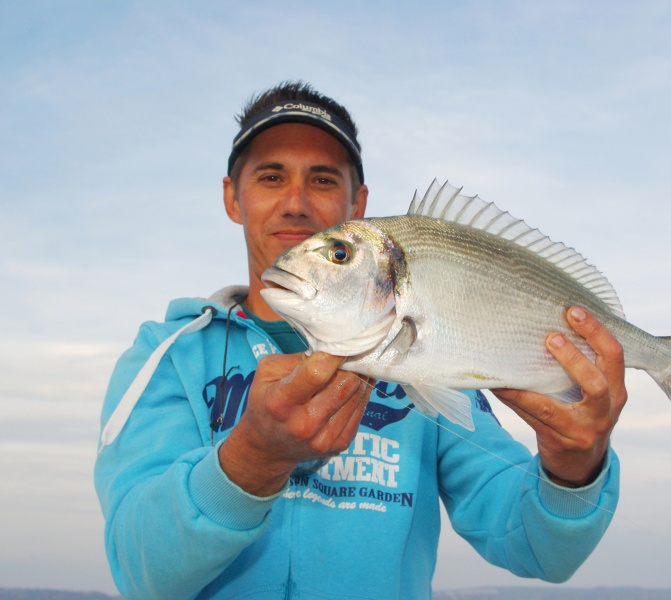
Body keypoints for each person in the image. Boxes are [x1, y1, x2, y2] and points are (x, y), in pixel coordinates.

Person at [94, 81, 627, 600]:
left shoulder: (428, 370)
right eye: (271, 177)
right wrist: (251, 459)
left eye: (323, 180)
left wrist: (575, 469)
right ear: (233, 197)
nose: (296, 203)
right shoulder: (167, 356)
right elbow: (142, 572)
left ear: (359, 204)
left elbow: (539, 550)